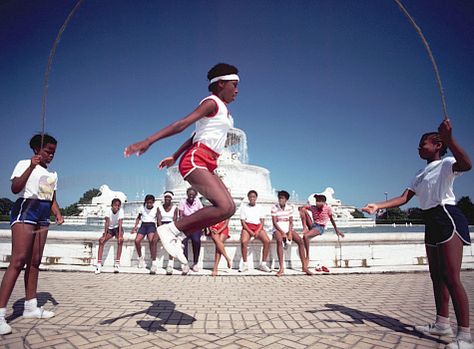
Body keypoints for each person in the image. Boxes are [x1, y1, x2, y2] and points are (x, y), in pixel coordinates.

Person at [362, 119, 472, 349]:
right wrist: (378, 206)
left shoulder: (447, 163)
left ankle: (465, 336)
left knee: (452, 277)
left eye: (423, 143)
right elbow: (404, 198)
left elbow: (467, 164)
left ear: (437, 145)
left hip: (446, 217)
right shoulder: (420, 173)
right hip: (430, 221)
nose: (419, 147)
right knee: (436, 276)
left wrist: (451, 139)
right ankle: (442, 324)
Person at [124, 63, 238, 268]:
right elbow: (182, 124)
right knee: (222, 205)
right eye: (234, 84)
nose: (237, 90)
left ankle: (176, 233)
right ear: (221, 84)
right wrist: (149, 140)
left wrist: (174, 156)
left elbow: (195, 135)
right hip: (196, 159)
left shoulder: (224, 113)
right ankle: (170, 230)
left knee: (229, 208)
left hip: (207, 161)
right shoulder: (211, 103)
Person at [0, 134, 63, 335]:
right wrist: (31, 166)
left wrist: (58, 214)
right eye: (47, 151)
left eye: (53, 152)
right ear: (37, 149)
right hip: (26, 211)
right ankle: (0, 314)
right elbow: (15, 188)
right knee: (18, 260)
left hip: (43, 216)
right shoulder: (24, 164)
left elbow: (51, 197)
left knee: (35, 261)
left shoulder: (53, 174)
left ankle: (30, 306)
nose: (50, 155)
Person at [300, 194, 344, 273]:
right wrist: (303, 207)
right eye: (317, 201)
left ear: (324, 202)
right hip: (313, 225)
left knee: (306, 236)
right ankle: (304, 228)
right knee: (303, 210)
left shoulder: (327, 209)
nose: (318, 203)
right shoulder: (313, 207)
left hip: (320, 227)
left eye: (320, 201)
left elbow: (332, 220)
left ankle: (307, 256)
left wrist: (337, 231)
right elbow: (300, 208)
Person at [272, 190, 312, 276]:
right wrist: (282, 233)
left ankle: (304, 266)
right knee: (279, 241)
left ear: (286, 200)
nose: (280, 200)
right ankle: (281, 268)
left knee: (300, 241)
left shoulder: (289, 208)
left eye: (282, 198)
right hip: (277, 228)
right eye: (279, 198)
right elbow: (274, 222)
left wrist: (289, 233)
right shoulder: (274, 208)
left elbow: (291, 222)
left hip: (288, 227)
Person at [239, 190, 271, 273]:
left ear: (256, 198)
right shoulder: (244, 207)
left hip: (258, 226)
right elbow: (243, 222)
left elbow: (262, 221)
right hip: (247, 226)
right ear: (248, 198)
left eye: (254, 197)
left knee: (267, 241)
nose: (252, 198)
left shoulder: (260, 207)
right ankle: (245, 264)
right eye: (250, 197)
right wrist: (250, 231)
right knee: (243, 241)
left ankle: (263, 264)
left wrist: (257, 231)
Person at [96, 198, 124, 274]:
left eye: (118, 206)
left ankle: (117, 263)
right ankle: (98, 264)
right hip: (110, 229)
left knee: (120, 241)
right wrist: (104, 235)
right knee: (101, 241)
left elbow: (120, 223)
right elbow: (107, 223)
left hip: (118, 229)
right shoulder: (108, 211)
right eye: (115, 205)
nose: (117, 207)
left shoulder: (121, 211)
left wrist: (120, 235)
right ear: (112, 205)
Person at [131, 194, 158, 274]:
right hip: (143, 225)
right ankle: (140, 258)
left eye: (151, 202)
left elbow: (158, 218)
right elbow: (138, 218)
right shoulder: (142, 208)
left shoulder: (156, 209)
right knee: (137, 241)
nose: (149, 204)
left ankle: (153, 261)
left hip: (151, 226)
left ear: (153, 202)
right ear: (145, 202)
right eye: (148, 202)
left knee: (151, 240)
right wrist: (135, 227)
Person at [179, 188, 204, 274]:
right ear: (187, 194)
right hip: (186, 225)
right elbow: (181, 215)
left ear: (196, 195)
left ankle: (195, 263)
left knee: (196, 240)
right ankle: (185, 264)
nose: (191, 196)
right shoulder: (182, 202)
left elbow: (201, 214)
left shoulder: (198, 202)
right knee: (184, 242)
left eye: (193, 195)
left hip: (196, 225)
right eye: (189, 194)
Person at [156, 191, 178, 275]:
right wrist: (162, 229)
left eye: (169, 197)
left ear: (171, 198)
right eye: (166, 197)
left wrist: (170, 230)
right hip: (162, 226)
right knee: (153, 240)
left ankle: (170, 263)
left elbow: (175, 220)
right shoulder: (159, 207)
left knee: (171, 242)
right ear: (164, 198)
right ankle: (154, 262)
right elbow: (158, 219)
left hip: (171, 226)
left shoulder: (175, 208)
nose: (167, 199)